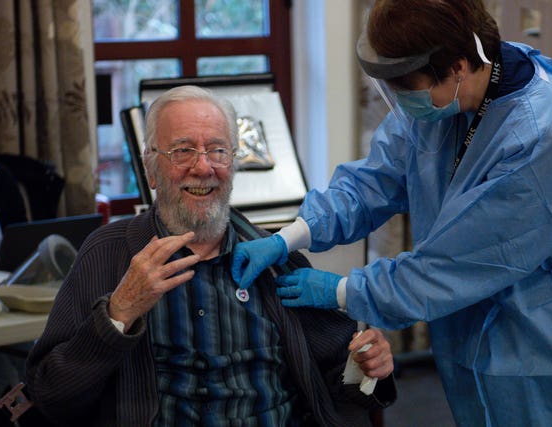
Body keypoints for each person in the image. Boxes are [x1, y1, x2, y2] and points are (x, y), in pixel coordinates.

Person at [231, 0, 552, 425]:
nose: (403, 104)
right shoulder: (444, 99)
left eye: (408, 89)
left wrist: (343, 291)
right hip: (489, 330)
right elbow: (374, 180)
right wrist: (290, 235)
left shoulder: (541, 133)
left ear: (458, 67)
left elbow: (452, 264)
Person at [24, 85, 396, 426]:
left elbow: (341, 379)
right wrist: (118, 314)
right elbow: (52, 395)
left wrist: (366, 364)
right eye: (183, 150)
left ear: (233, 164)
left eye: (218, 150)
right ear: (151, 167)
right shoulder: (108, 254)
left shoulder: (274, 258)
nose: (203, 168)